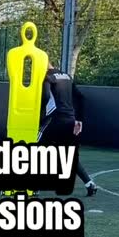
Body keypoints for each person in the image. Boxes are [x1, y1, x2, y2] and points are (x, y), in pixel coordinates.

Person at [37, 64, 97, 196]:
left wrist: (39, 114)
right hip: (70, 121)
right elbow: (81, 97)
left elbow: (46, 97)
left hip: (54, 121)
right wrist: (79, 119)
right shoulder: (67, 77)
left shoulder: (47, 77)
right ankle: (89, 184)